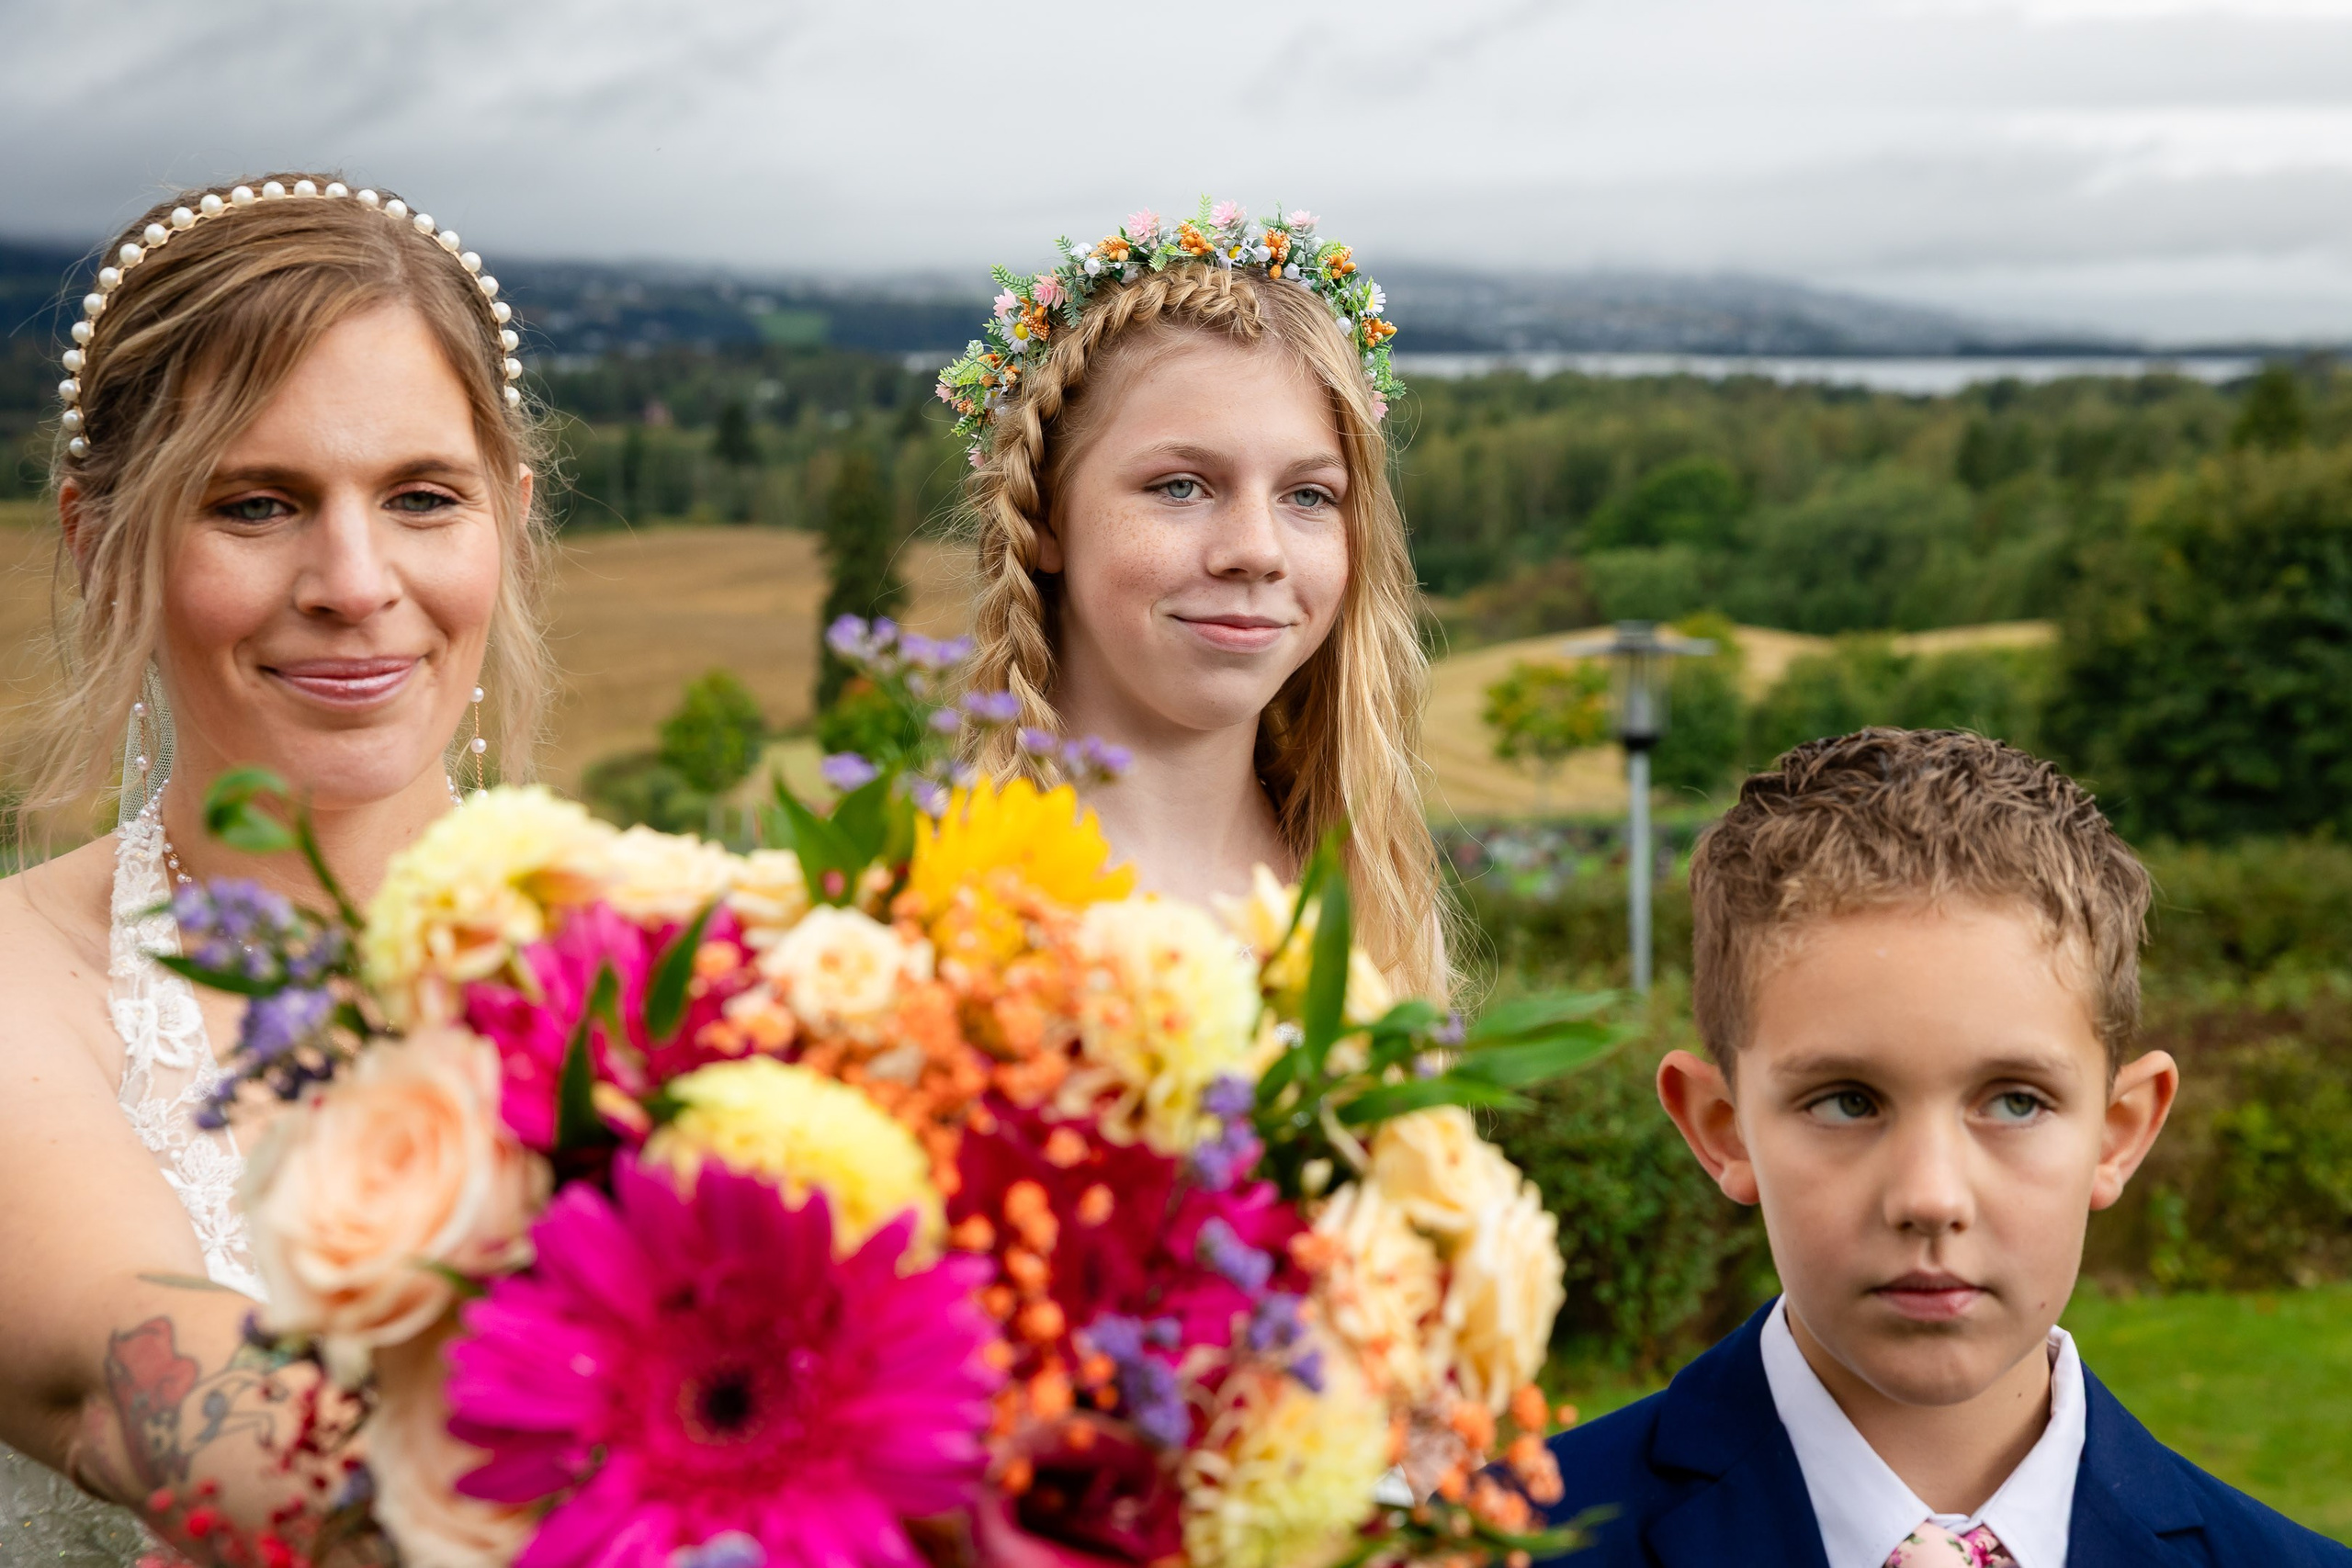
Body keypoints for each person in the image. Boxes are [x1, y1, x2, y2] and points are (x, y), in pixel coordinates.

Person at [0, 175, 553, 1564]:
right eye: (256, 504)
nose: (354, 578)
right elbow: (129, 1378)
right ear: (94, 538)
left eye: (423, 496)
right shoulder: (19, 995)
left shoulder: (690, 962)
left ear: (509, 520)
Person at [1537, 728, 2351, 1565]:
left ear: (2119, 1133)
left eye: (2015, 1100)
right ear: (1722, 1127)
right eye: (1848, 1102)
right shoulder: (1481, 1546)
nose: (1931, 1197)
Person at [941, 204, 1446, 995]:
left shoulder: (1375, 910)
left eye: (1309, 495)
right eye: (1181, 486)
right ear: (1041, 512)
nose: (1257, 549)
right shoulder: (940, 915)